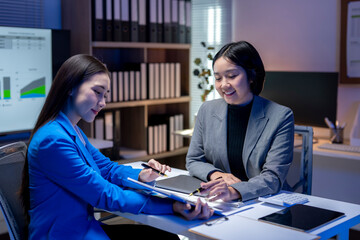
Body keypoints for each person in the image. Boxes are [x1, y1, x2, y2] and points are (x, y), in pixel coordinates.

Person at [20, 54, 214, 239]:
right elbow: (105, 195)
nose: (103, 102)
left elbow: (106, 167)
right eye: (97, 92)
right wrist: (171, 205)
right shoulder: (53, 140)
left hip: (81, 228)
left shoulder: (72, 130)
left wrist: (140, 175)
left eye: (105, 95)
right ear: (70, 87)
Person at [186, 41, 294, 203]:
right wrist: (218, 175)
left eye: (232, 76)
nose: (223, 85)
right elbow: (193, 160)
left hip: (266, 201)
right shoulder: (207, 110)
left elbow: (273, 177)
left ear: (251, 76)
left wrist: (233, 191)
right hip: (220, 200)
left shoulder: (281, 116)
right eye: (218, 78)